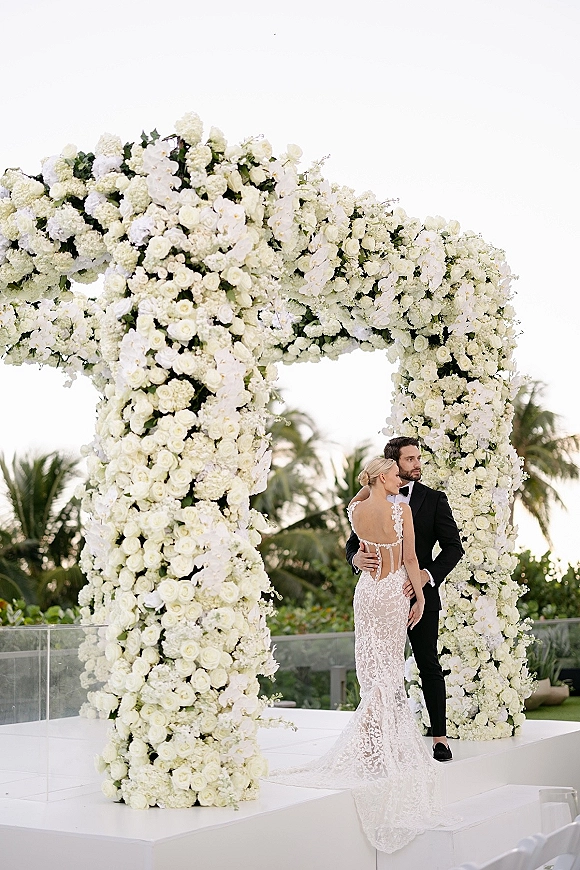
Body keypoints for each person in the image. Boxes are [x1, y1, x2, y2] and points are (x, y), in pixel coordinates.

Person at [269, 457, 444, 853]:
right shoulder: (400, 509)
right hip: (393, 592)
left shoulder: (357, 509)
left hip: (366, 591)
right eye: (395, 474)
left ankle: (370, 747)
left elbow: (360, 496)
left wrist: (371, 484)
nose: (401, 479)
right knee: (388, 670)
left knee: (372, 670)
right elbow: (413, 560)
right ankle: (384, 748)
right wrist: (418, 597)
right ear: (384, 476)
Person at [346, 436, 464, 761]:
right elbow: (352, 544)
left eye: (418, 458)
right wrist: (356, 559)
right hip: (392, 593)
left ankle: (439, 737)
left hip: (407, 591)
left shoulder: (434, 500)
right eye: (409, 459)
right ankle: (380, 738)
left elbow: (453, 548)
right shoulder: (389, 507)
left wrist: (425, 580)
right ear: (391, 466)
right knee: (386, 668)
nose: (417, 465)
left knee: (427, 663)